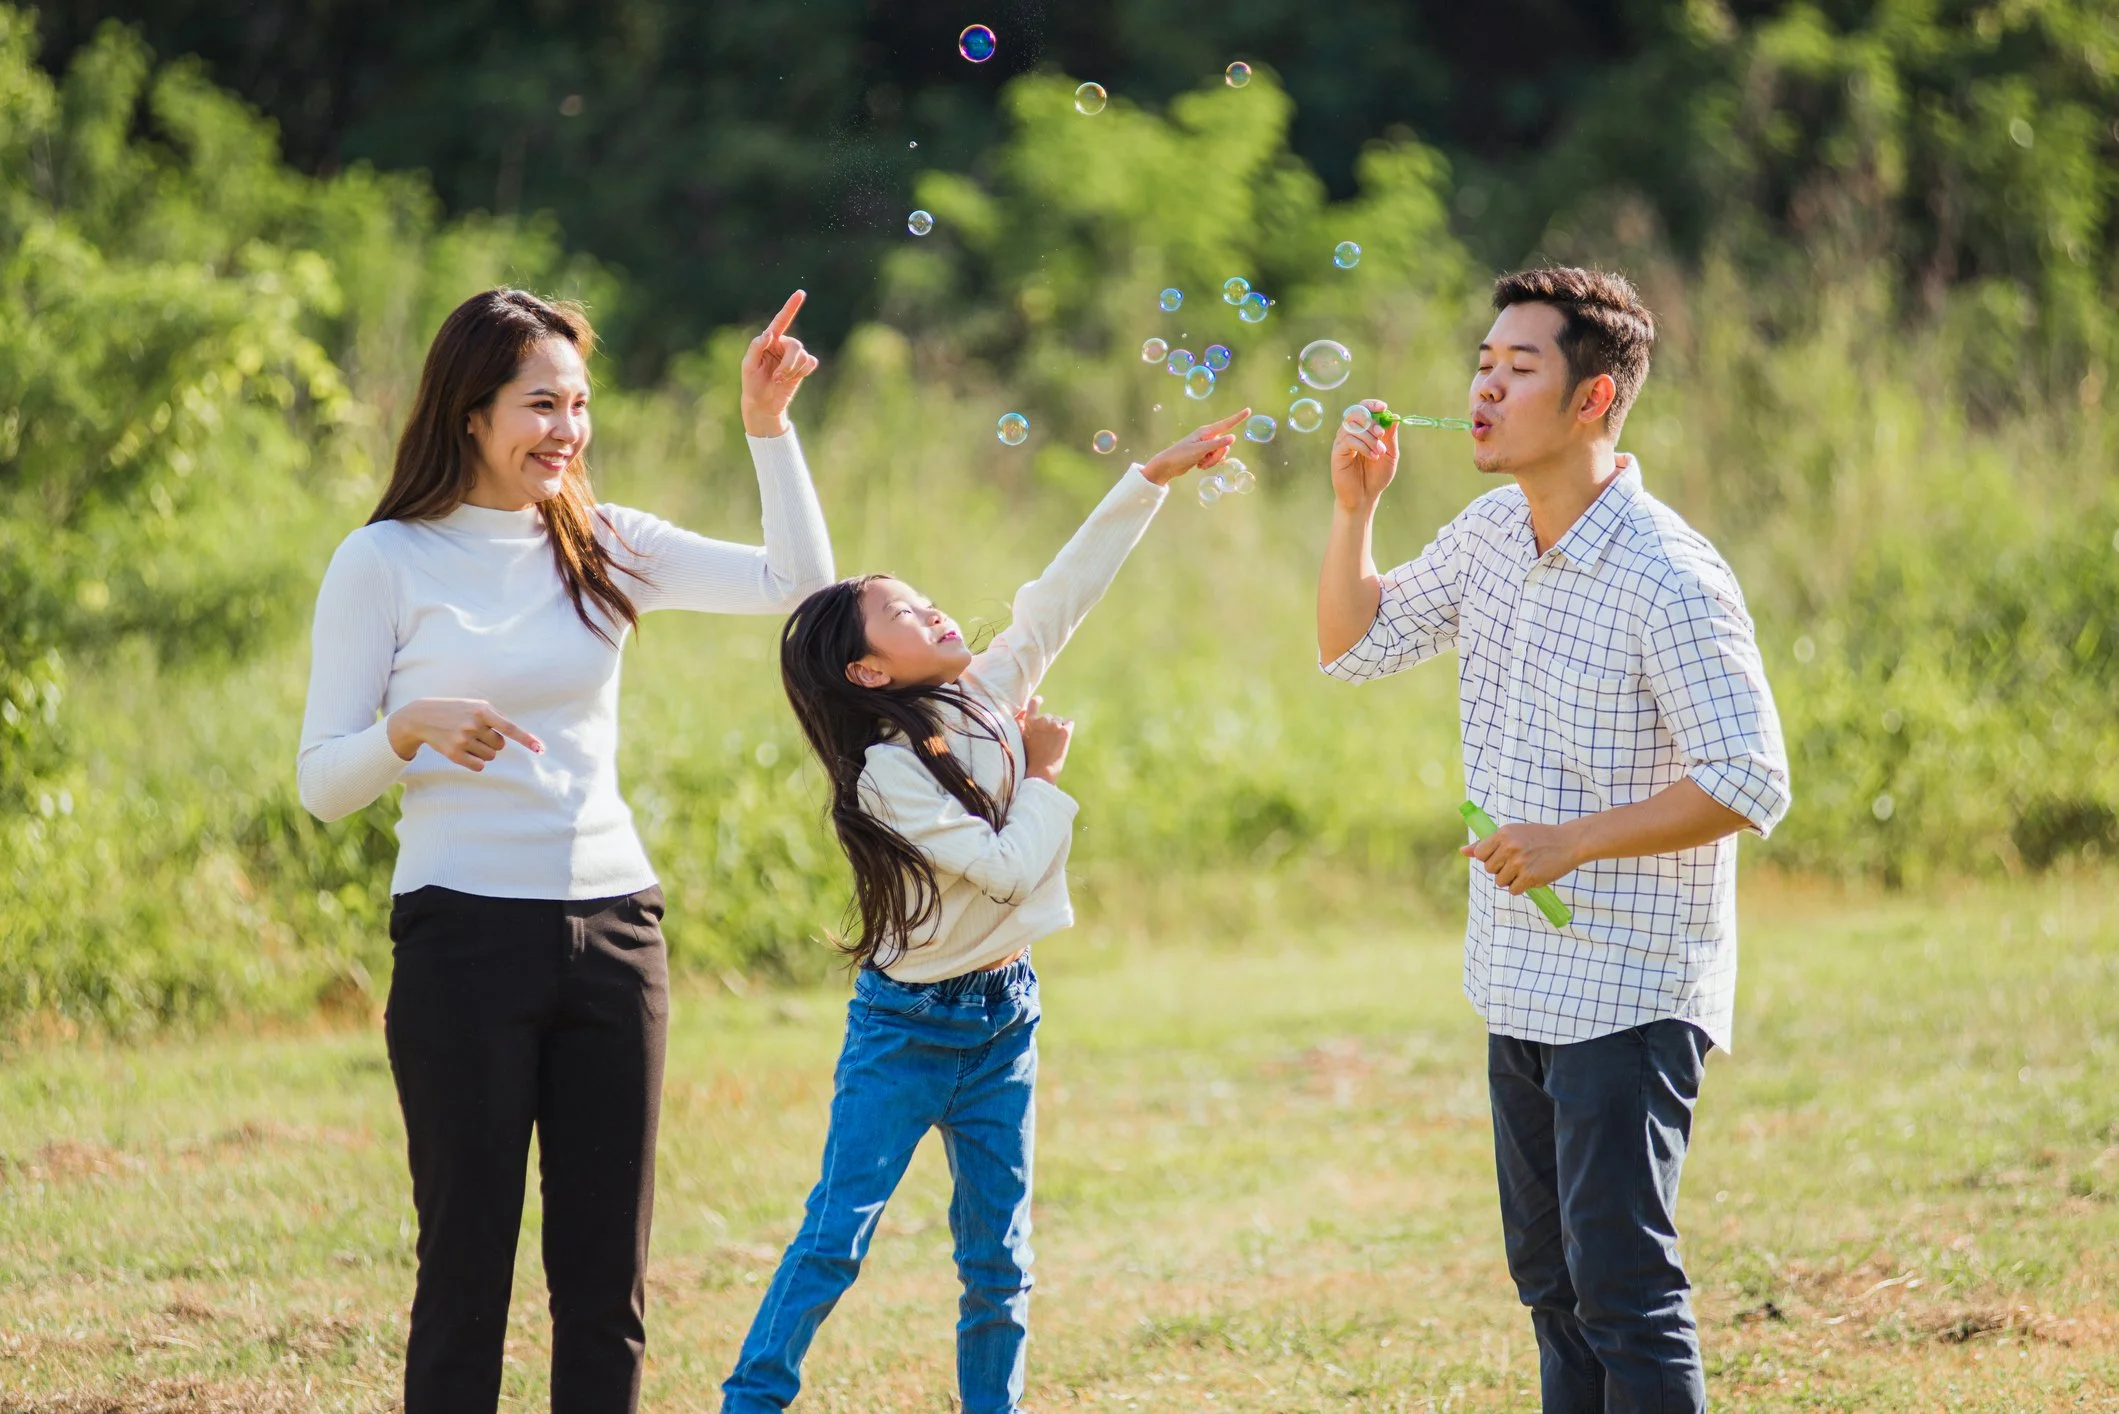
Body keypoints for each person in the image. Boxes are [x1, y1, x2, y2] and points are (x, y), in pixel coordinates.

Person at [296, 287, 834, 1413]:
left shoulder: (605, 539)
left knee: (606, 1280)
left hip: (614, 930)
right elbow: (321, 784)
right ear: (471, 412)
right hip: (463, 939)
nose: (566, 431)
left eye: (579, 405)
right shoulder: (383, 561)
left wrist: (767, 429)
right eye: (541, 404)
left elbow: (802, 589)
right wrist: (407, 727)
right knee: (465, 1270)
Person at [1315, 267, 1791, 1412]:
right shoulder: (1489, 533)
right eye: (1481, 365)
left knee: (1622, 1286)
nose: (1483, 387)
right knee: (1551, 1284)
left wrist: (1573, 842)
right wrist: (1351, 511)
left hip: (1629, 987)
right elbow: (1351, 645)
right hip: (1518, 979)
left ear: (1592, 399)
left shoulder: (1668, 575)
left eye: (1517, 369)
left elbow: (1748, 779)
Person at [719, 410, 1253, 1414]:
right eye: (904, 616)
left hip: (1003, 1015)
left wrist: (1152, 476)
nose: (932, 612)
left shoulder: (984, 692)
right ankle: (749, 1401)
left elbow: (1061, 594)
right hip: (907, 1030)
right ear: (867, 673)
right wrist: (1045, 775)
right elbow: (1005, 872)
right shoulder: (883, 774)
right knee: (836, 1237)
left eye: (923, 598)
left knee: (1000, 1260)